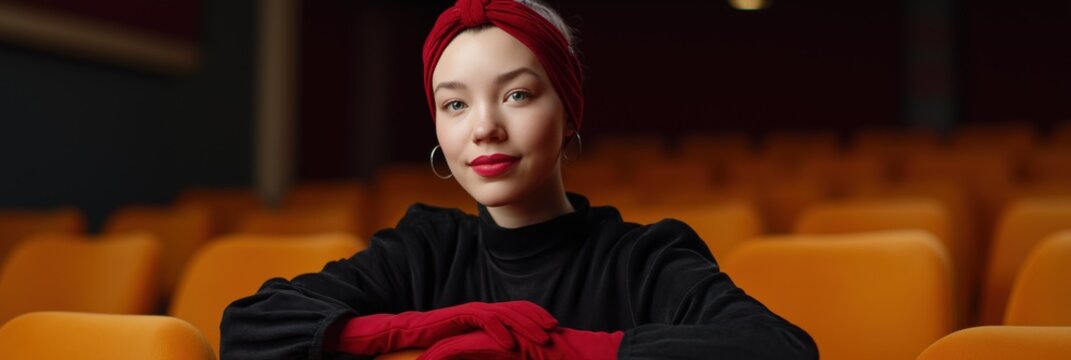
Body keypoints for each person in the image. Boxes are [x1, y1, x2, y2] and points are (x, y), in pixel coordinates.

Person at [220, 0, 817, 359]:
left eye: (516, 95)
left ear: (568, 115)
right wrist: (435, 327)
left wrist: (548, 347)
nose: (485, 128)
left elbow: (779, 350)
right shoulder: (425, 247)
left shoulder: (643, 257)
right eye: (455, 105)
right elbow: (249, 327)